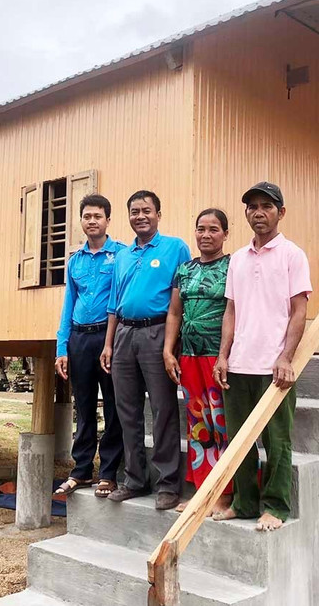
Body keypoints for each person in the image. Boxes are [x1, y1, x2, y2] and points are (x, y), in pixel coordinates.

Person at [213, 182, 311, 532]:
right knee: (238, 441)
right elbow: (231, 311)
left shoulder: (292, 255)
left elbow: (299, 311)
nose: (258, 212)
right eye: (252, 206)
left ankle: (276, 507)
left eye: (266, 206)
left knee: (277, 442)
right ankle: (243, 503)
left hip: (274, 368)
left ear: (280, 212)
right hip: (238, 365)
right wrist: (223, 356)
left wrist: (286, 357)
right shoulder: (237, 258)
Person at [100, 190, 191, 510]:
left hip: (156, 334)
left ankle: (168, 483)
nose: (140, 216)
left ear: (158, 214)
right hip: (124, 334)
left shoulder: (175, 248)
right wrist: (108, 343)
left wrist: (172, 343)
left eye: (146, 210)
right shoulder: (123, 255)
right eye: (134, 211)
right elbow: (113, 303)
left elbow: (181, 301)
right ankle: (135, 479)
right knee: (127, 411)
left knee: (164, 410)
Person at [54, 194, 125, 498]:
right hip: (80, 338)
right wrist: (62, 346)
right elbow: (68, 302)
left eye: (98, 216)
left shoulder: (122, 255)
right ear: (81, 221)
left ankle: (108, 472)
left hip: (109, 338)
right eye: (87, 216)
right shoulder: (75, 260)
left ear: (108, 220)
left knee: (113, 405)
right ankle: (81, 470)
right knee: (83, 406)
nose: (92, 221)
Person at [163, 208, 233, 515]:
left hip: (218, 358)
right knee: (198, 426)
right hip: (189, 357)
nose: (206, 235)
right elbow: (175, 313)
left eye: (214, 229)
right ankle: (203, 492)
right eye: (201, 229)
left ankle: (227, 494)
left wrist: (225, 355)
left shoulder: (233, 267)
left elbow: (236, 311)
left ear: (225, 234)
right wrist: (168, 351)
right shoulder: (184, 270)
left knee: (222, 424)